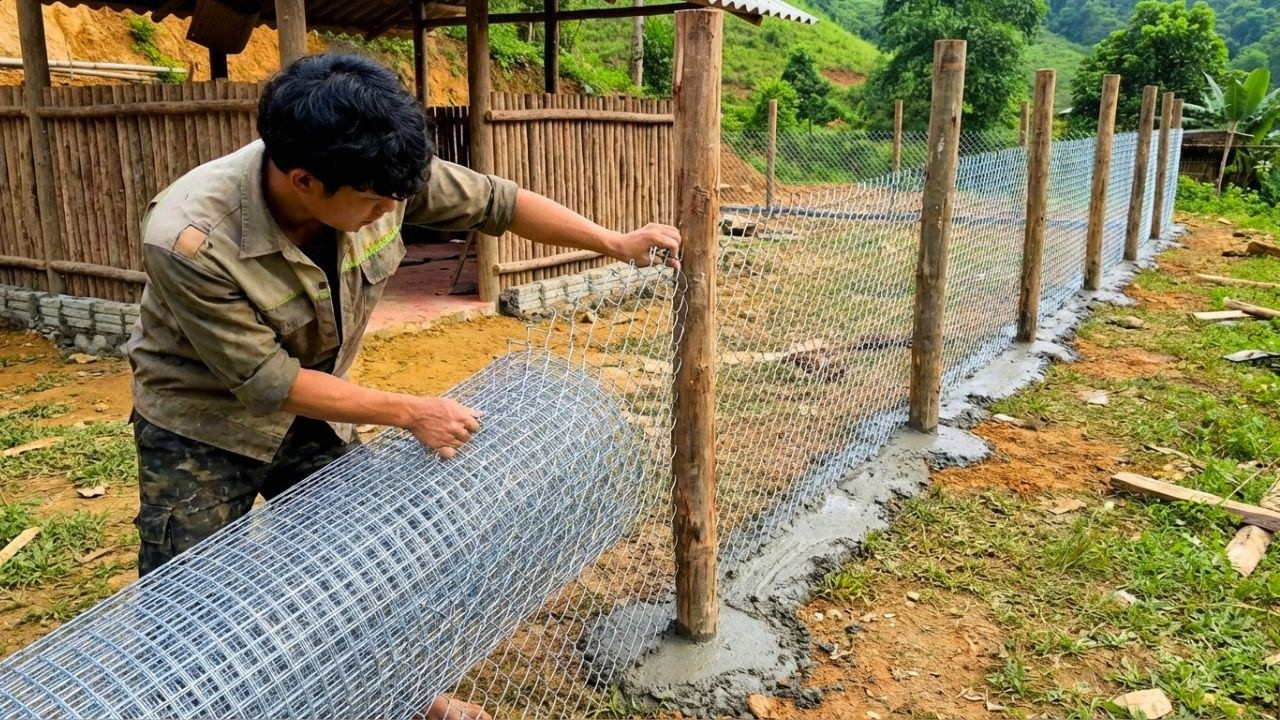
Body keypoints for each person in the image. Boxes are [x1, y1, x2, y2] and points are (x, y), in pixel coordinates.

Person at [125, 52, 680, 720]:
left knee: (365, 564)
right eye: (379, 204)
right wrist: (408, 411)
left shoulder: (376, 168)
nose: (395, 211)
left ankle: (403, 695)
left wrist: (615, 242)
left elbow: (497, 204)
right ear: (304, 180)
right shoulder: (189, 238)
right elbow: (264, 380)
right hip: (201, 426)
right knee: (188, 603)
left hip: (318, 407)